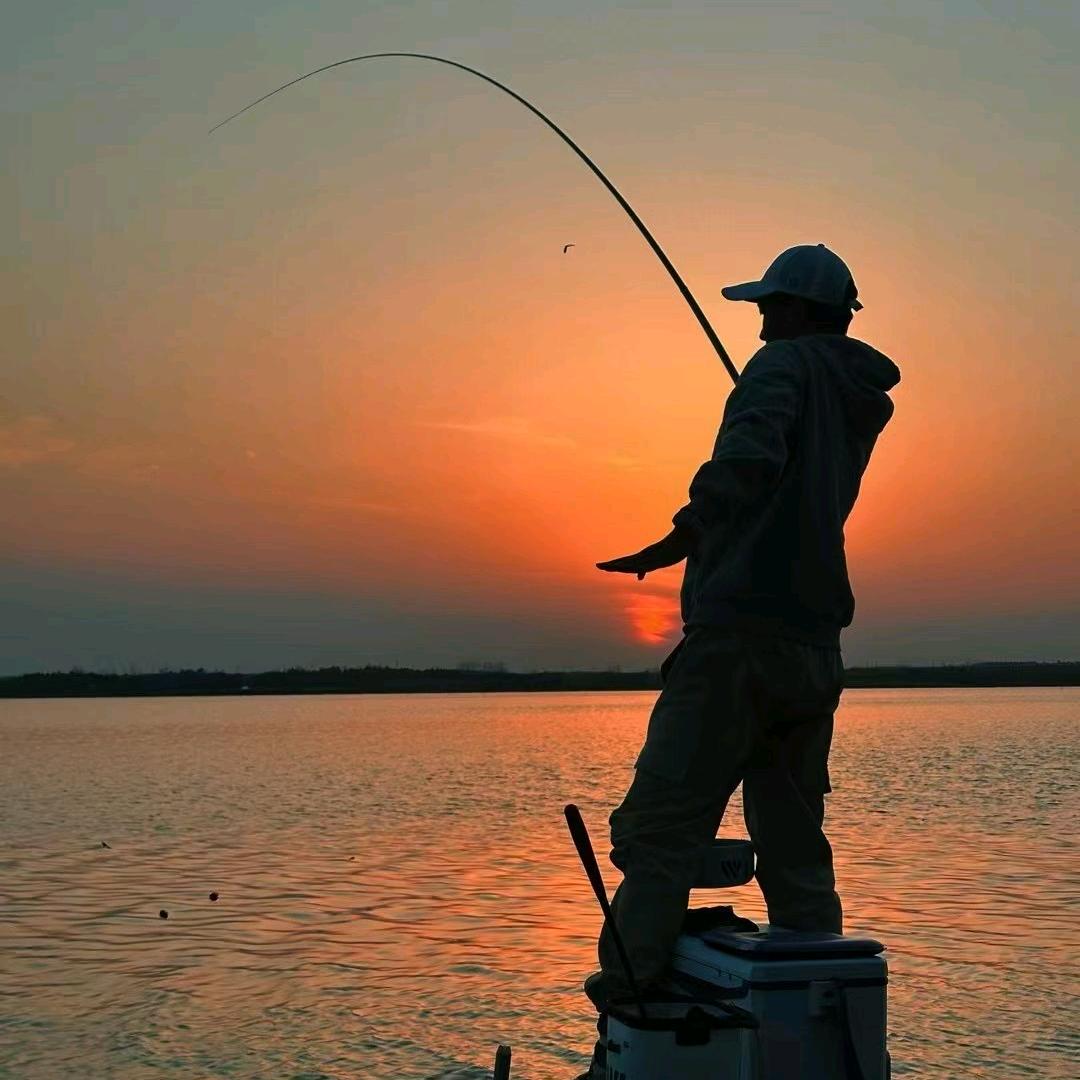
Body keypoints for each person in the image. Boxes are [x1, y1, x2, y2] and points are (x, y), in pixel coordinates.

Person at [576, 244, 901, 1078]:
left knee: (660, 828)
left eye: (769, 307)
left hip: (736, 647)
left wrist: (682, 535)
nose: (758, 323)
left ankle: (630, 1006)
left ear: (797, 311)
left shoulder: (778, 369)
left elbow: (750, 461)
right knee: (795, 839)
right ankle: (822, 1022)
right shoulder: (855, 396)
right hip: (814, 651)